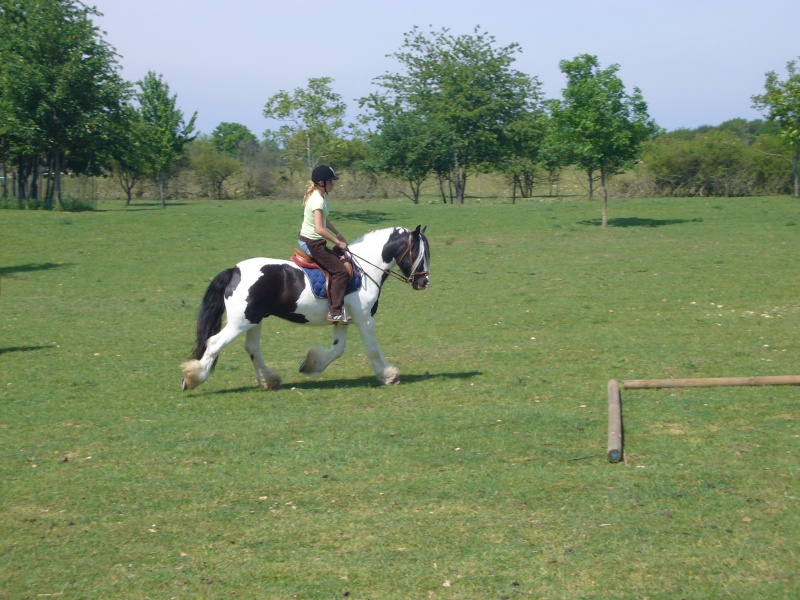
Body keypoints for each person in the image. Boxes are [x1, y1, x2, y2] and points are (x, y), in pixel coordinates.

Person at [298, 165, 351, 323]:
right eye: (331, 182)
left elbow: (324, 220)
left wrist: (338, 234)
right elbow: (320, 229)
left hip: (313, 241)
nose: (333, 184)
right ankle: (335, 312)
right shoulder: (317, 201)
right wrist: (338, 242)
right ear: (322, 183)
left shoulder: (319, 197)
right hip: (313, 243)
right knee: (341, 272)